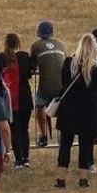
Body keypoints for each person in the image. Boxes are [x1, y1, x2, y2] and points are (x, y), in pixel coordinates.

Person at [54, 34, 97, 189]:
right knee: (86, 145)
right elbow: (96, 90)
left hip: (69, 108)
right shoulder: (96, 68)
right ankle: (83, 179)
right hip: (87, 109)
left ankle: (61, 179)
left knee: (65, 144)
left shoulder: (69, 62)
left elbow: (63, 82)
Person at [31, 20, 67, 149]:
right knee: (62, 110)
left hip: (45, 86)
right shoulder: (61, 44)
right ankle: (64, 137)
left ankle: (43, 136)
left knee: (39, 105)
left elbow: (32, 66)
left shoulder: (36, 46)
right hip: (62, 87)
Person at [1, 33, 34, 169]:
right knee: (24, 129)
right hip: (25, 96)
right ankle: (26, 157)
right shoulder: (25, 56)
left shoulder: (3, 58)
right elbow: (30, 73)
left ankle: (19, 158)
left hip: (11, 98)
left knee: (15, 129)